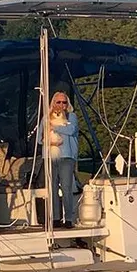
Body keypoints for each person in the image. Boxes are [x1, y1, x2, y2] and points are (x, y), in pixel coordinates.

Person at [48, 91, 79, 228]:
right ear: (53, 103)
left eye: (64, 102)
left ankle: (69, 219)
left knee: (66, 187)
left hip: (67, 156)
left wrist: (54, 126)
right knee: (52, 187)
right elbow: (40, 139)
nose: (61, 105)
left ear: (68, 104)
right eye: (58, 102)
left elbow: (71, 130)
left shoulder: (71, 117)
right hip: (51, 156)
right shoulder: (46, 118)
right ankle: (55, 217)